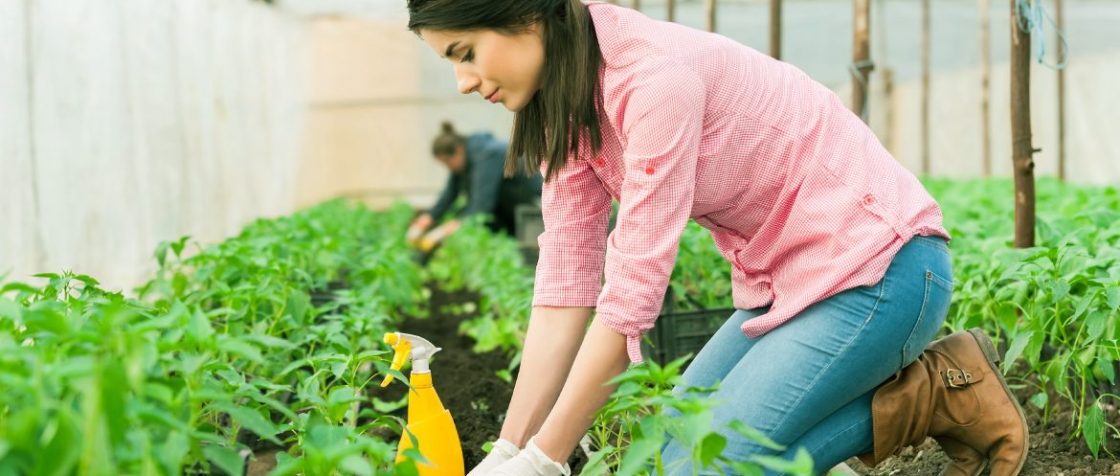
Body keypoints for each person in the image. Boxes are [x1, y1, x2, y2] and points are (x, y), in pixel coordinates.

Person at [406, 1, 1028, 475]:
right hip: (782, 285)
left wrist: (549, 457)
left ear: (524, 14)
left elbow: (630, 299)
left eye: (464, 52)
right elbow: (566, 279)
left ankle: (939, 395)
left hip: (881, 270)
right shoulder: (564, 101)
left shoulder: (651, 80)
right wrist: (509, 450)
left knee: (702, 466)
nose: (463, 80)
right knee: (670, 451)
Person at [405, 121, 543, 251]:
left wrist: (445, 230)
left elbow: (481, 206)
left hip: (533, 207)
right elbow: (449, 193)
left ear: (458, 150)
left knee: (526, 251)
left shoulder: (488, 155)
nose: (448, 168)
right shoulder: (466, 158)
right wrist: (428, 218)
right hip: (514, 209)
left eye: (447, 162)